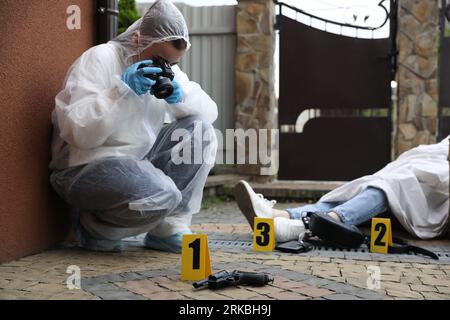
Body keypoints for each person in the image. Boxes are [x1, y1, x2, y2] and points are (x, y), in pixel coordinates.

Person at [49, 0, 218, 253]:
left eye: (171, 64)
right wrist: (121, 92)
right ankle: (95, 227)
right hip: (84, 167)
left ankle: (168, 228)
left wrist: (180, 95)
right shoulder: (100, 58)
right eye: (160, 60)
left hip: (137, 164)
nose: (164, 68)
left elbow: (210, 113)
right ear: (138, 39)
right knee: (164, 194)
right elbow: (79, 133)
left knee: (200, 131)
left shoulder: (164, 66)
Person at [235, 136, 449, 243]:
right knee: (359, 194)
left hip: (428, 205)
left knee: (387, 188)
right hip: (404, 197)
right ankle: (275, 215)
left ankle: (304, 226)